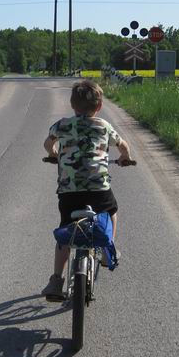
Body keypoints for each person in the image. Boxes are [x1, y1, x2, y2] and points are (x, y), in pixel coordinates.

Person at [41, 79, 131, 302]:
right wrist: (125, 159)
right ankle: (108, 248)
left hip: (69, 192)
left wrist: (54, 154)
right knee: (111, 210)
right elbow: (123, 145)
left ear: (72, 105)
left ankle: (55, 280)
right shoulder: (103, 126)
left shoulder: (62, 125)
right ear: (99, 107)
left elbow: (47, 144)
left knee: (66, 229)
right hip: (98, 189)